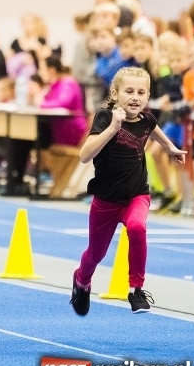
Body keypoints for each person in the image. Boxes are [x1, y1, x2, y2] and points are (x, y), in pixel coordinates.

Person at [70, 67, 185, 317]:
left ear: (147, 96)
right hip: (106, 199)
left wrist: (170, 148)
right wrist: (113, 127)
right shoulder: (104, 117)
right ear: (116, 93)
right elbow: (84, 155)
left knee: (136, 227)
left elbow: (153, 129)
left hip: (137, 194)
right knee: (95, 254)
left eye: (141, 92)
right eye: (129, 91)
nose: (135, 97)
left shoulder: (147, 119)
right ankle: (81, 280)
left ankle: (137, 289)